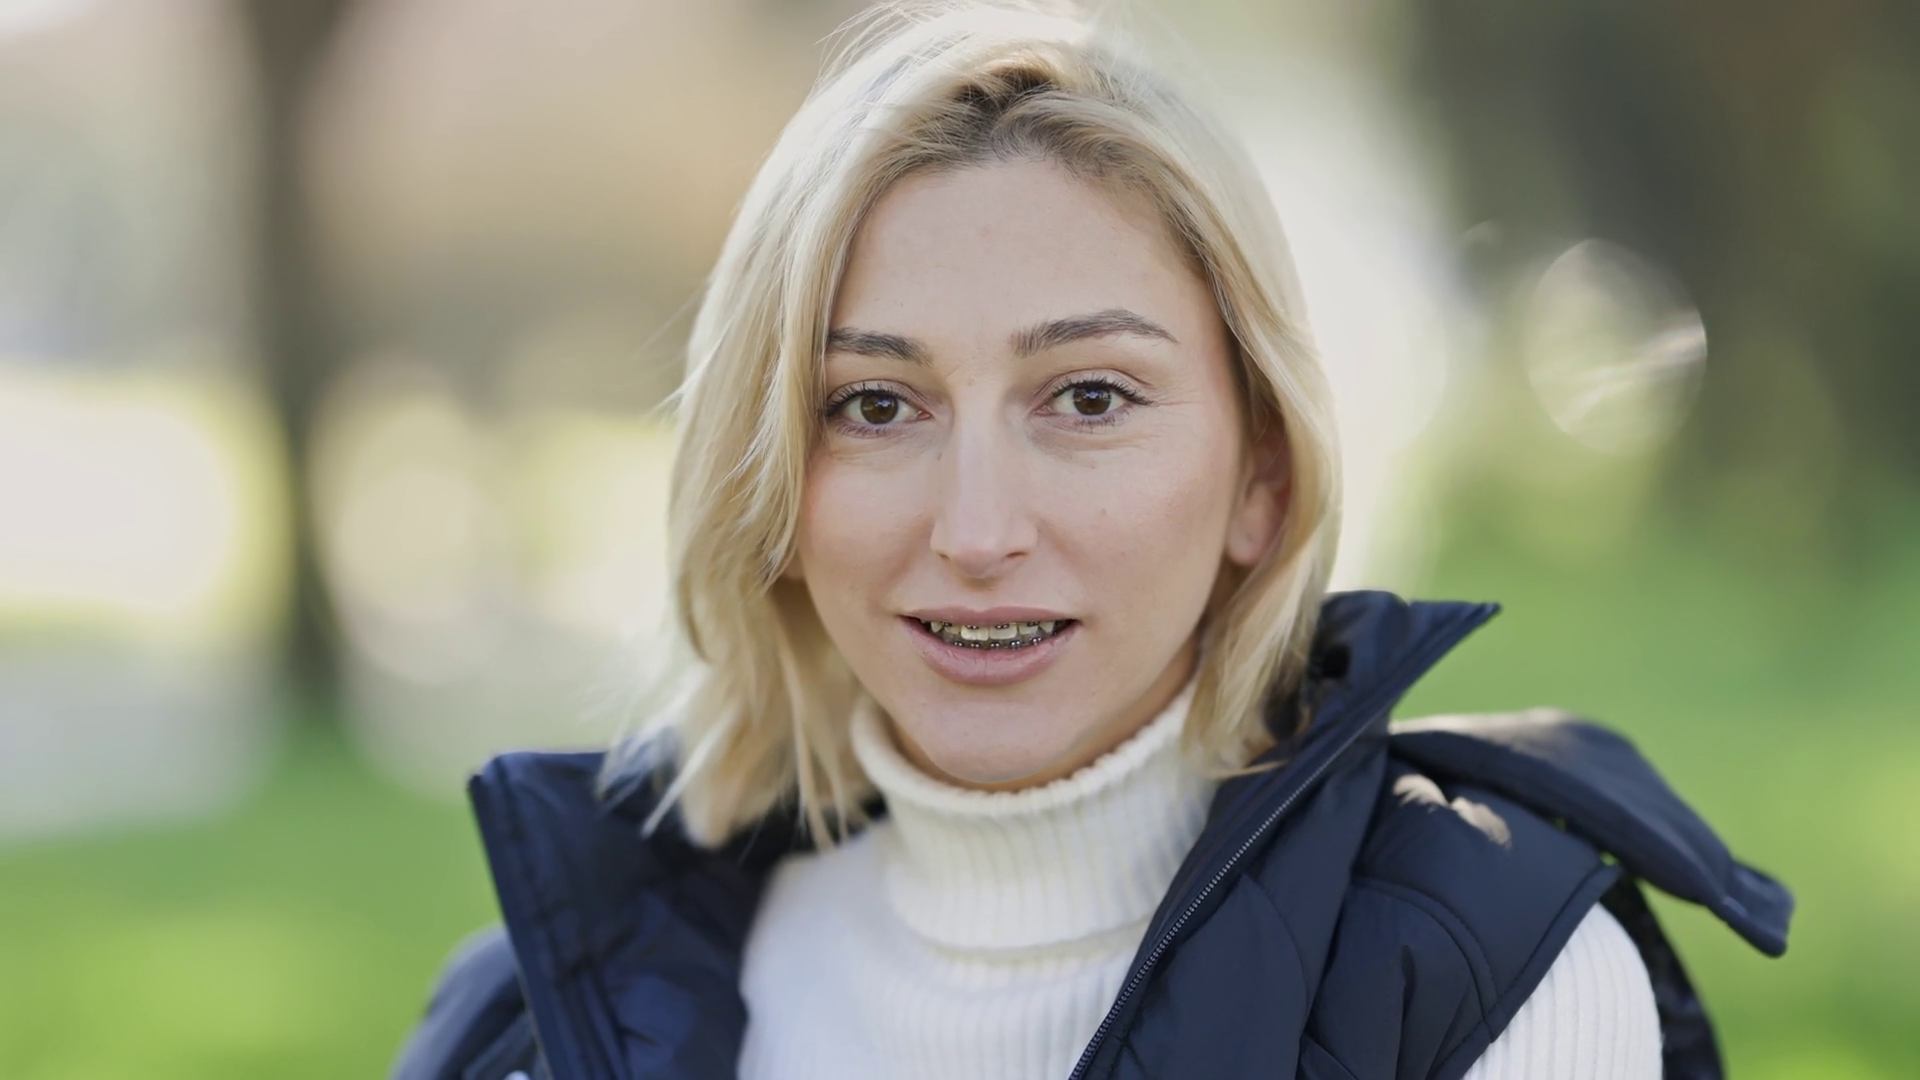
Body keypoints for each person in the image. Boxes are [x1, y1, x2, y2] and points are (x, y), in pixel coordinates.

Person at [390, 4, 1792, 1078]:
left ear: (1261, 475)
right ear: (772, 489)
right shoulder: (540, 1024)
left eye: (1090, 398)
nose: (977, 530)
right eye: (874, 404)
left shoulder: (1495, 985)